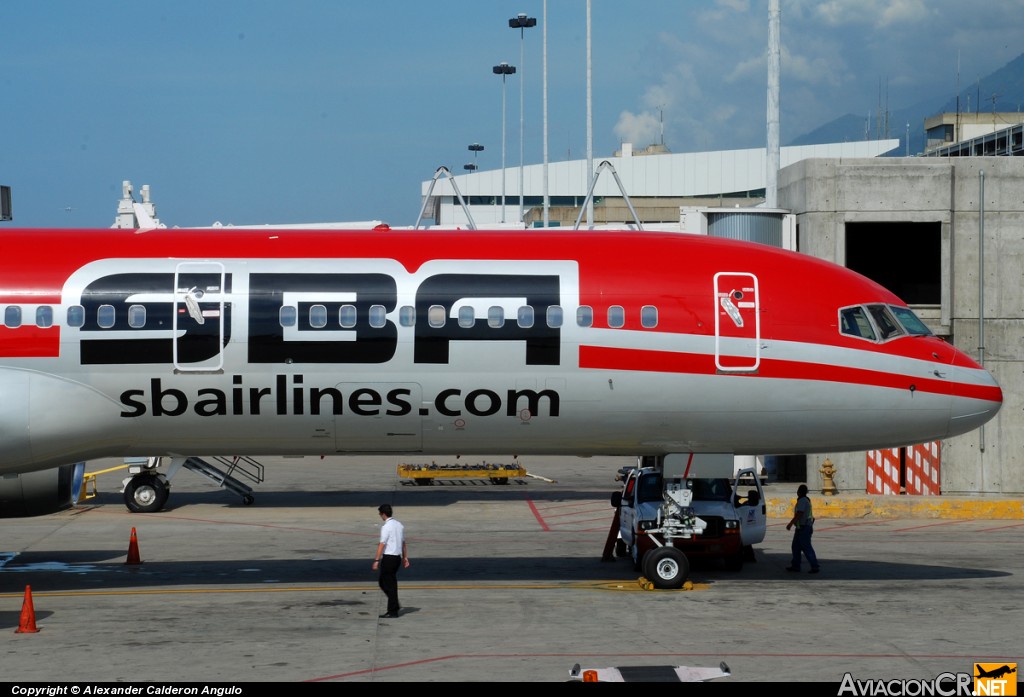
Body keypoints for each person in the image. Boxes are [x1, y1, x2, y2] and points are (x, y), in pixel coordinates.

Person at [372, 504, 409, 618]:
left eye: (380, 514)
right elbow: (403, 543)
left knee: (389, 584)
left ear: (383, 514)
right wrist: (405, 558)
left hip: (389, 558)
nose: (380, 516)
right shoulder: (399, 525)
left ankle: (393, 610)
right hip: (397, 558)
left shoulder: (386, 527)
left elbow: (382, 544)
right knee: (385, 582)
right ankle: (394, 604)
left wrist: (376, 560)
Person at [785, 484, 820, 573]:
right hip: (801, 527)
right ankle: (796, 565)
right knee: (795, 547)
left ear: (799, 492)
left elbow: (799, 513)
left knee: (806, 547)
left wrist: (790, 523)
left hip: (804, 528)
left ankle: (814, 566)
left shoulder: (802, 501)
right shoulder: (805, 500)